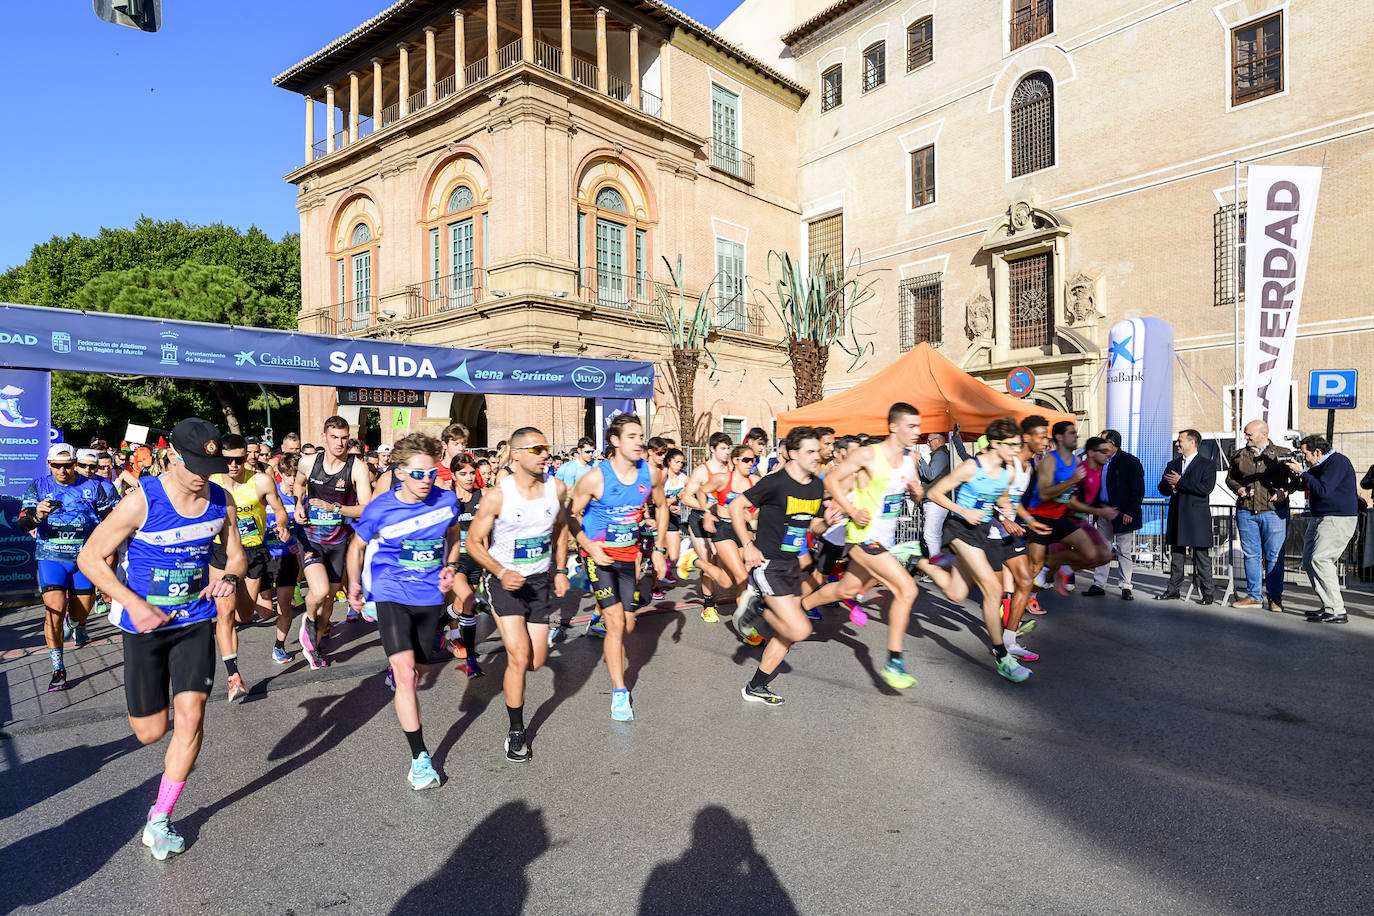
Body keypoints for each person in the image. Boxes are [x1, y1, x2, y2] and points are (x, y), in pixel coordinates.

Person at [76, 417, 242, 860]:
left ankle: (160, 818)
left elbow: (237, 556)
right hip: (144, 628)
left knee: (192, 717)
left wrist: (228, 577)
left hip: (193, 621)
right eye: (193, 466)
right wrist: (131, 602)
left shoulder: (221, 500)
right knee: (151, 733)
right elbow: (90, 557)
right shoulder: (140, 501)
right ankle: (157, 737)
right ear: (172, 457)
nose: (200, 476)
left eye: (209, 466)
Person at [346, 433, 459, 788]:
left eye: (432, 474)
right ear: (399, 473)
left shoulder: (447, 500)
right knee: (407, 675)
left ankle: (402, 675)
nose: (426, 481)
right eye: (418, 474)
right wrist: (353, 586)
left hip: (428, 598)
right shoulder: (380, 508)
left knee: (420, 669)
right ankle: (419, 760)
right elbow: (356, 547)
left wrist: (451, 566)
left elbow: (454, 536)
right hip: (390, 592)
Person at [817, 403, 951, 690]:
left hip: (885, 539)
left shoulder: (909, 460)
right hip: (862, 537)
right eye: (911, 426)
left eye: (919, 426)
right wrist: (851, 511)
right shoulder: (868, 454)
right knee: (907, 589)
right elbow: (832, 479)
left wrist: (917, 493)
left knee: (847, 590)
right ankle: (894, 661)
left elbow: (914, 495)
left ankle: (799, 604)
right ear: (893, 426)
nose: (918, 432)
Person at [464, 426, 571, 759]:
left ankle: (481, 622)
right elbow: (472, 542)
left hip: (538, 583)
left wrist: (562, 569)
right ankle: (516, 731)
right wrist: (499, 571)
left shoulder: (557, 489)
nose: (545, 455)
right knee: (519, 656)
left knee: (536, 663)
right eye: (537, 449)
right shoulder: (498, 495)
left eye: (546, 449)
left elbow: (562, 528)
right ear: (517, 454)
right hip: (505, 582)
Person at [570, 414, 668, 722]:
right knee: (615, 624)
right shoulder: (595, 478)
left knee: (627, 625)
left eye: (641, 436)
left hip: (629, 558)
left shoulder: (650, 473)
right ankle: (619, 692)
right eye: (632, 436)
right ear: (614, 441)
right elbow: (571, 514)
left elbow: (662, 507)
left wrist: (660, 550)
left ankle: (601, 623)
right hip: (599, 558)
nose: (640, 441)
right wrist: (588, 545)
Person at [729, 427, 838, 706]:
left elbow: (811, 523)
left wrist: (829, 523)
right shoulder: (775, 482)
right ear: (793, 453)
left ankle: (756, 687)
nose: (818, 456)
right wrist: (748, 545)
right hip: (768, 564)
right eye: (810, 451)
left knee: (788, 634)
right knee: (800, 629)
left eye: (818, 450)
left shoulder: (816, 485)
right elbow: (736, 507)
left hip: (791, 565)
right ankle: (756, 608)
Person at [927, 418, 1032, 683]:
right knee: (993, 589)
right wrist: (963, 510)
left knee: (956, 593)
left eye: (1018, 444)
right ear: (995, 444)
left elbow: (1003, 496)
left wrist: (1005, 508)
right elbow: (935, 493)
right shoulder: (971, 467)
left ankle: (918, 560)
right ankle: (1001, 656)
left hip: (981, 532)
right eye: (1011, 445)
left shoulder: (1008, 471)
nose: (1016, 449)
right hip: (959, 529)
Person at [20, 443, 118, 691]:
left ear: (75, 463)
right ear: (49, 465)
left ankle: (75, 624)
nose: (62, 471)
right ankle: (58, 668)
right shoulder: (39, 485)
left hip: (84, 559)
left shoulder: (93, 487)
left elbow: (112, 521)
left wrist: (107, 550)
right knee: (53, 610)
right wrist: (38, 516)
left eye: (67, 465)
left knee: (80, 614)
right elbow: (23, 522)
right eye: (56, 466)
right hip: (51, 558)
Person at [209, 435, 290, 702]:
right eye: (227, 459)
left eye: (239, 459)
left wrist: (281, 524)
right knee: (225, 615)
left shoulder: (261, 481)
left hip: (253, 553)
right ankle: (233, 675)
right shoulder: (211, 481)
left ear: (247, 457)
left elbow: (279, 509)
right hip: (221, 553)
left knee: (244, 616)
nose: (233, 465)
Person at [294, 416, 374, 668]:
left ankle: (315, 641)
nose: (340, 443)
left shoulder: (357, 467)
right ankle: (308, 622)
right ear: (324, 438)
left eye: (344, 438)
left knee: (328, 598)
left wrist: (335, 508)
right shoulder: (308, 462)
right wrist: (298, 503)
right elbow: (298, 483)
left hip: (339, 541)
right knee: (317, 591)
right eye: (334, 437)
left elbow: (366, 508)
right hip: (311, 537)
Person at [1024, 421, 1113, 599]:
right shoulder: (1050, 460)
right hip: (1040, 518)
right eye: (1072, 433)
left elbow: (1070, 497)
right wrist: (1071, 481)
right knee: (1034, 568)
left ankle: (1051, 565)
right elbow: (1044, 493)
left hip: (1061, 517)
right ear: (1059, 437)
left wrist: (1095, 509)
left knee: (1090, 553)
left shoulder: (1076, 461)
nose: (1076, 436)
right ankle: (1019, 600)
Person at [1227, 420, 1298, 611]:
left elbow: (1297, 480)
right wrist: (1239, 488)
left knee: (1274, 556)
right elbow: (1230, 479)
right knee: (1251, 555)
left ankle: (1275, 598)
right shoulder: (1239, 455)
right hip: (1246, 512)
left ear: (1263, 434)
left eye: (1249, 434)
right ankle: (1254, 596)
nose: (1246, 437)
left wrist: (1285, 491)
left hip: (1274, 512)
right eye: (1245, 434)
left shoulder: (1283, 454)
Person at [1287, 435, 1359, 623]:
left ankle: (1337, 609)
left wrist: (1303, 473)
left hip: (1337, 518)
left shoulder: (1338, 463)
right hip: (1319, 517)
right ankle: (1328, 604)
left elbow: (1323, 489)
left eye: (1305, 454)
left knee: (1321, 559)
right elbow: (1306, 484)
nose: (1304, 458)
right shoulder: (1318, 466)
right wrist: (1296, 477)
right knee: (1309, 560)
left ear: (1317, 452)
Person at [1156, 429, 1217, 603]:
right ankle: (1173, 589)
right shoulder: (1173, 464)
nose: (1177, 444)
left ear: (1192, 442)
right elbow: (1163, 487)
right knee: (1176, 556)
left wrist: (1180, 482)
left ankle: (1208, 593)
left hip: (1197, 517)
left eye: (1179, 441)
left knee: (1201, 557)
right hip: (1177, 515)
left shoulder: (1207, 465)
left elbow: (1206, 489)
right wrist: (1170, 486)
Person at [442, 454, 489, 677]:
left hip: (476, 559)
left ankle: (436, 628)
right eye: (463, 474)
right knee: (469, 603)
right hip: (455, 560)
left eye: (472, 473)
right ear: (453, 475)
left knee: (461, 607)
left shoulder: (483, 495)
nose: (469, 478)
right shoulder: (447, 498)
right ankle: (471, 659)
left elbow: (486, 532)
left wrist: (486, 561)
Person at [680, 432, 735, 621]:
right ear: (712, 449)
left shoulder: (731, 469)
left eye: (728, 448)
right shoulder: (702, 471)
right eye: (722, 448)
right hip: (700, 521)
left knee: (723, 563)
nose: (726, 452)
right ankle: (708, 605)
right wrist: (708, 507)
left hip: (721, 523)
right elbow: (686, 497)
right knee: (709, 563)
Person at [1086, 429, 1145, 600]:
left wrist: (1130, 512)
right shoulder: (1100, 461)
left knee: (1124, 550)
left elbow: (1138, 490)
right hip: (1103, 511)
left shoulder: (1130, 461)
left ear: (1111, 444)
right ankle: (1098, 584)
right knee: (1102, 548)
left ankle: (1125, 585)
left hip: (1123, 513)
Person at [261, 452, 303, 664]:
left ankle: (279, 646)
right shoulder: (270, 494)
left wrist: (299, 543)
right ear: (281, 474)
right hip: (265, 556)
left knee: (284, 607)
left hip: (287, 557)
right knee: (265, 609)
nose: (292, 479)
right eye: (288, 474)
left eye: (295, 474)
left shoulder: (300, 498)